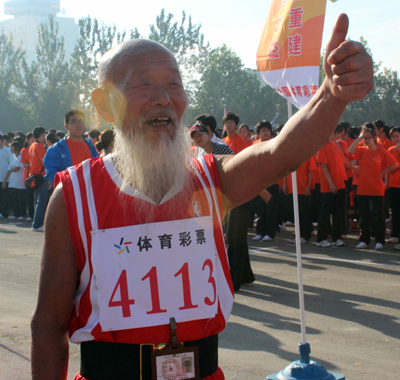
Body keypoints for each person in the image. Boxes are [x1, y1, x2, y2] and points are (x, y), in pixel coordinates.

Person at [31, 14, 373, 380]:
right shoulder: (74, 195)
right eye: (143, 85)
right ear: (104, 104)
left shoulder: (210, 178)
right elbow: (49, 325)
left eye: (174, 84)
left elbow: (278, 156)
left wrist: (332, 95)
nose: (163, 98)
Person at [349, 127, 398, 249]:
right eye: (364, 138)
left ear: (374, 138)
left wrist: (383, 173)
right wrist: (360, 137)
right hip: (363, 189)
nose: (366, 140)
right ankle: (364, 240)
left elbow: (395, 164)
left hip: (377, 189)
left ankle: (379, 241)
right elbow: (350, 150)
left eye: (368, 138)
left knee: (378, 216)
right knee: (364, 216)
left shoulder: (382, 151)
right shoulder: (362, 150)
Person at [43, 110, 99, 184]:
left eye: (81, 121)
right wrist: (70, 185)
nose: (78, 125)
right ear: (66, 126)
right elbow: (51, 175)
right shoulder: (56, 149)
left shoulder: (91, 147)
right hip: (69, 193)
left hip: (91, 193)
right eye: (74, 121)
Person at [29, 126, 48, 231]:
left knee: (37, 200)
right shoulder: (40, 146)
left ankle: (36, 223)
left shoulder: (32, 145)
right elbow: (44, 162)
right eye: (44, 134)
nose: (45, 136)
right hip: (40, 176)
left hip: (33, 176)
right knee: (42, 200)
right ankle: (37, 224)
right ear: (41, 134)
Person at [2, 141, 26, 220]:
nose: (11, 148)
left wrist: (12, 169)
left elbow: (16, 168)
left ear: (17, 148)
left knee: (21, 198)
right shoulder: (13, 158)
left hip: (20, 182)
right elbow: (9, 170)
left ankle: (22, 214)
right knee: (14, 198)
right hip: (12, 182)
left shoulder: (21, 157)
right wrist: (5, 181)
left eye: (12, 147)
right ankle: (16, 214)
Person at [387, 127, 400, 250]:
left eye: (397, 136)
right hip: (394, 184)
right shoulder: (390, 150)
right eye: (393, 137)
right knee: (395, 212)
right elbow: (389, 167)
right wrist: (386, 181)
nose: (395, 139)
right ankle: (395, 234)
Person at [0, 134, 14, 218]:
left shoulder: (6, 151)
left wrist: (7, 177)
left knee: (4, 196)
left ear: (1, 141)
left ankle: (4, 212)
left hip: (5, 178)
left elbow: (12, 163)